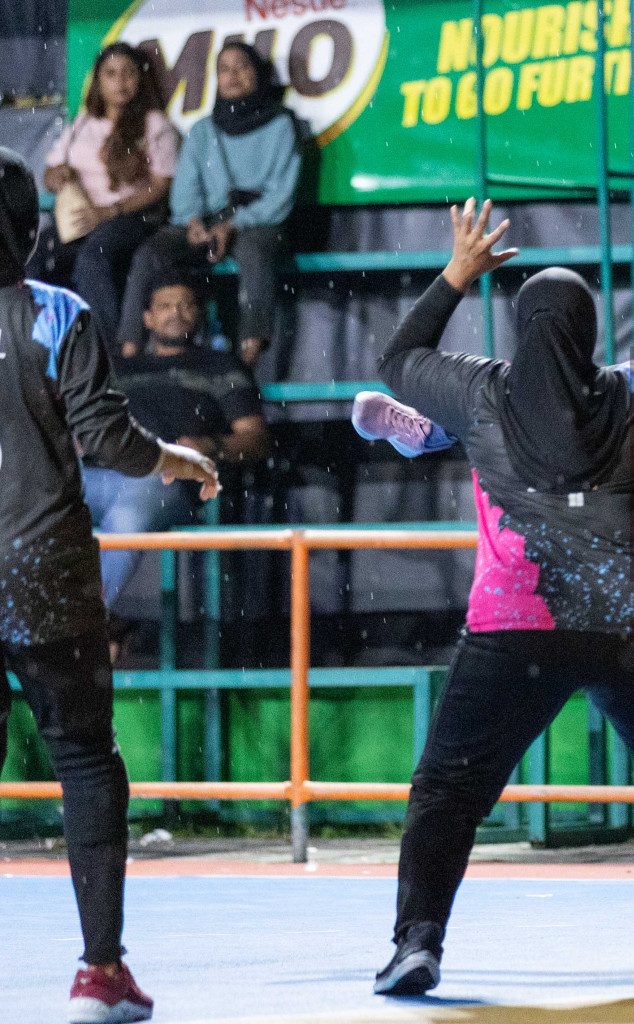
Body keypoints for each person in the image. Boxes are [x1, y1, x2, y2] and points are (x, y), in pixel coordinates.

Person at [368, 194, 634, 995]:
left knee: (448, 789)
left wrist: (457, 273)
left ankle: (417, 943)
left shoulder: (481, 392)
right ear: (590, 331)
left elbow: (396, 362)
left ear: (524, 329)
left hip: (515, 630)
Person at [0, 148, 219, 1024]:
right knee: (87, 759)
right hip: (42, 572)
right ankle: (100, 974)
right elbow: (107, 438)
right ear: (34, 227)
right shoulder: (57, 312)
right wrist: (180, 457)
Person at [84, 269, 269, 618]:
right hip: (97, 475)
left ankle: (82, 629)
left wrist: (210, 445)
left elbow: (257, 439)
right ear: (147, 317)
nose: (175, 313)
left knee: (127, 515)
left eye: (185, 305)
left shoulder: (221, 366)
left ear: (199, 313)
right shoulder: (119, 369)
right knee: (24, 498)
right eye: (165, 306)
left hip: (166, 480)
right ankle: (22, 626)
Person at [118, 41, 301, 367]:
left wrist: (234, 225)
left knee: (256, 253)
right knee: (151, 253)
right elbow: (185, 192)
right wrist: (193, 224)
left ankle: (247, 362)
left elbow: (280, 195)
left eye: (242, 66)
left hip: (259, 222)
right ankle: (131, 358)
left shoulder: (281, 124)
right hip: (205, 222)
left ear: (258, 74)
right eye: (224, 69)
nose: (233, 75)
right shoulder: (203, 130)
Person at [30, 42, 179, 344]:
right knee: (38, 255)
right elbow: (48, 174)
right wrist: (58, 175)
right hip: (84, 219)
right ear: (99, 82)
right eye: (111, 74)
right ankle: (41, 345)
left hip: (134, 217)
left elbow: (162, 185)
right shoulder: (83, 123)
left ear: (141, 79)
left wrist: (110, 212)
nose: (120, 81)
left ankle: (104, 351)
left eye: (128, 73)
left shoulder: (155, 124)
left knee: (93, 255)